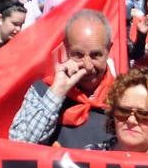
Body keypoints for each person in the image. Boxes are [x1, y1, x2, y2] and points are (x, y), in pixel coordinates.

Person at [8, 9, 120, 148]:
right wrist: (56, 94)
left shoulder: (123, 95)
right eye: (78, 55)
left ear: (109, 49)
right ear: (66, 48)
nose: (87, 65)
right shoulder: (42, 91)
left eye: (95, 55)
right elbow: (17, 145)